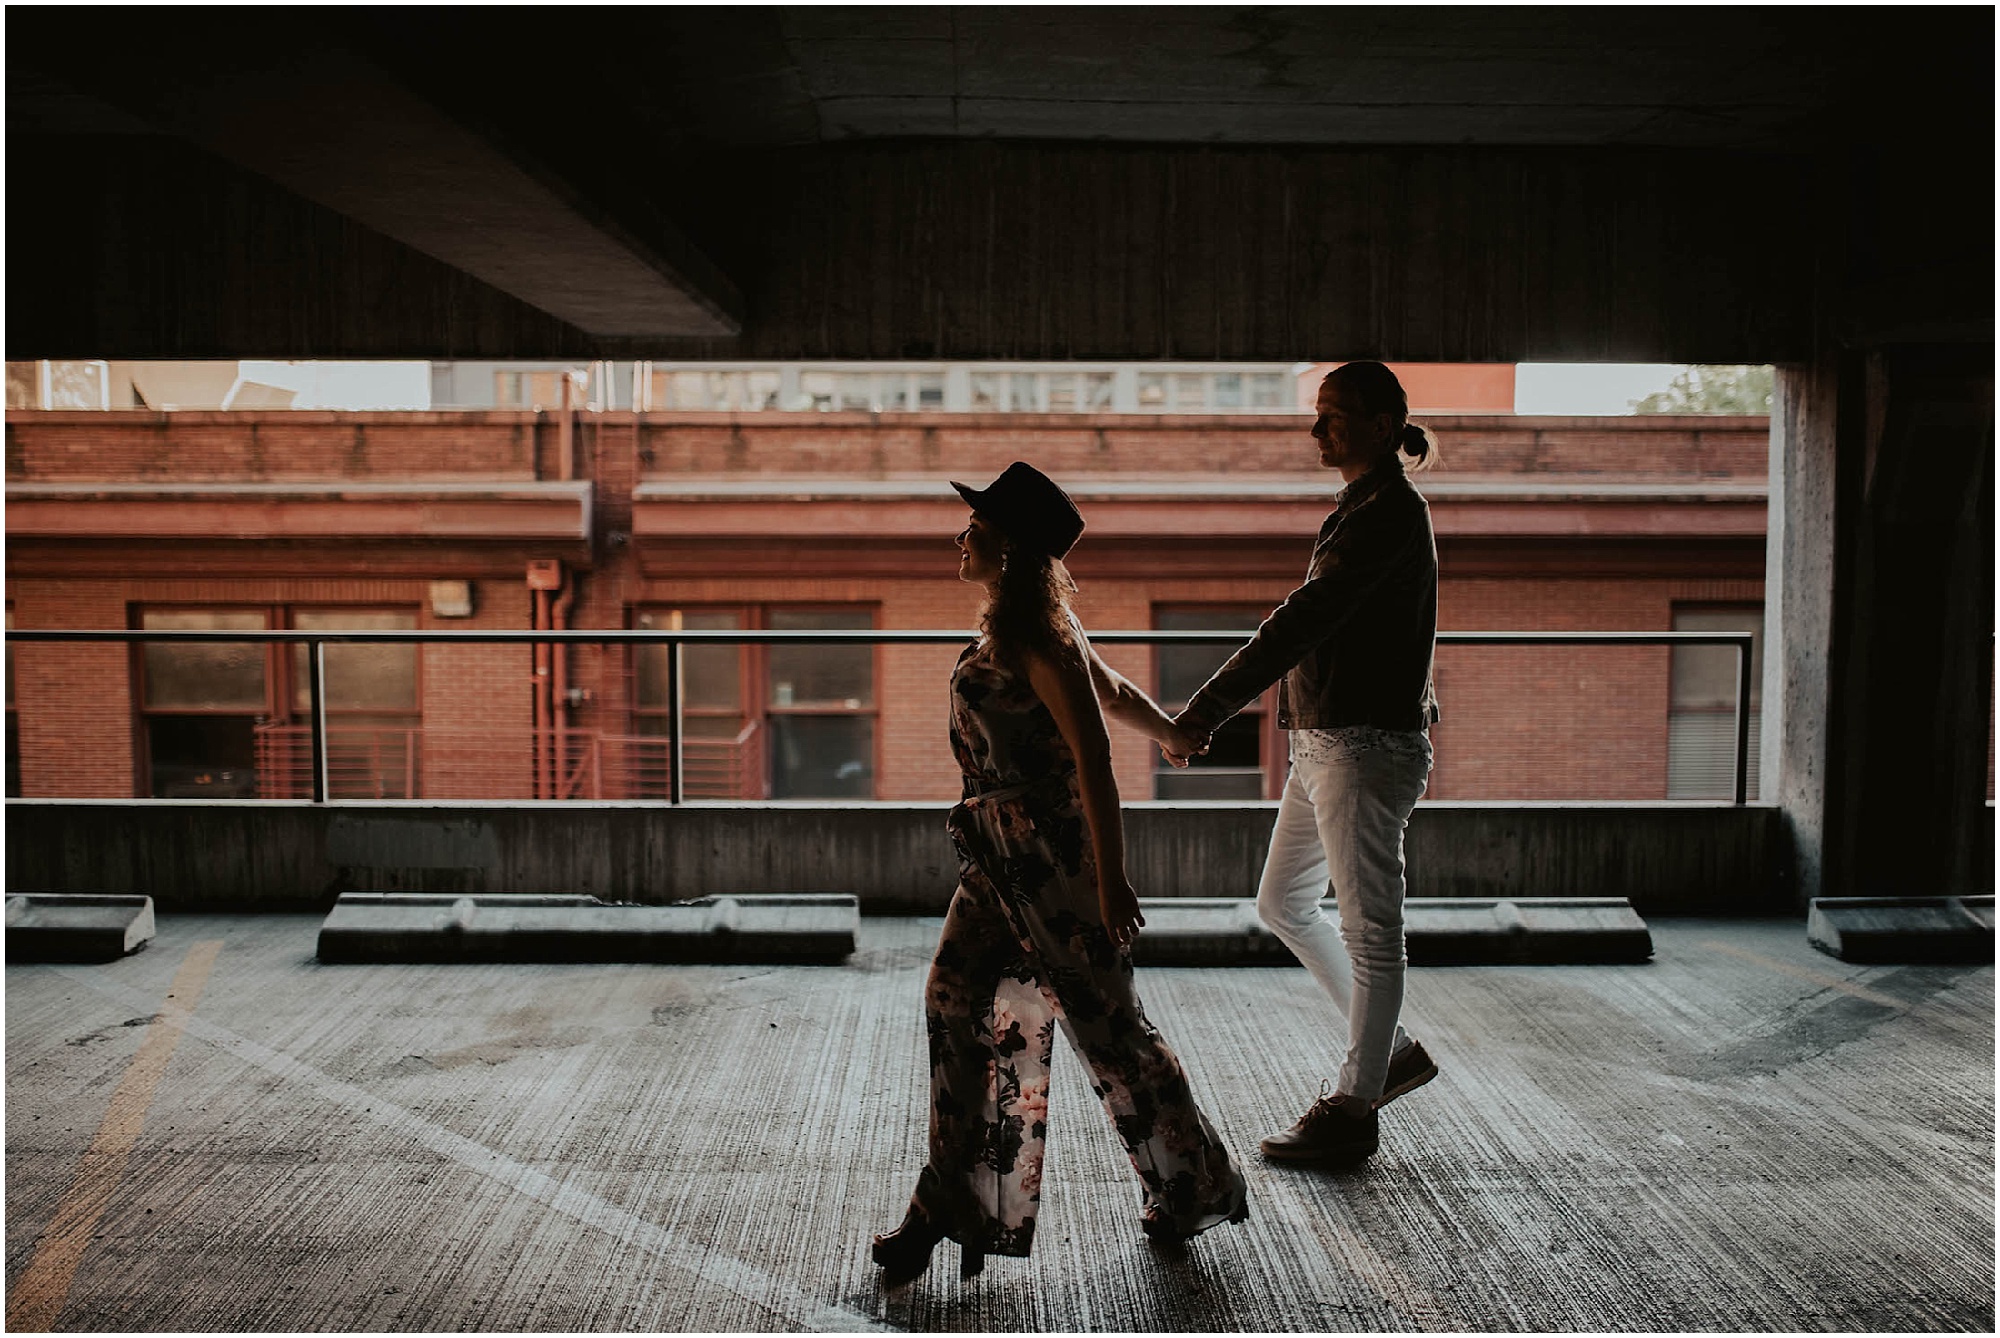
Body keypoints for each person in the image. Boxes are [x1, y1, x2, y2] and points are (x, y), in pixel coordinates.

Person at [873, 461, 1247, 1287]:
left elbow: (1095, 757)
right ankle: (950, 1198)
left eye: (974, 528)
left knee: (1110, 1031)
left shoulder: (1039, 633)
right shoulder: (1021, 626)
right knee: (954, 998)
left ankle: (1195, 1185)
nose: (960, 537)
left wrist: (1112, 882)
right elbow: (1110, 686)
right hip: (999, 858)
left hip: (1054, 865)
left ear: (1005, 548)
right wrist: (1175, 733)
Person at [1169, 361, 1442, 1165]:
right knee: (1284, 902)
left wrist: (1206, 709)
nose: (1318, 430)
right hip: (1325, 743)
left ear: (1387, 424)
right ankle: (1389, 1052)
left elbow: (1304, 620)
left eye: (1336, 415)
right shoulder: (1360, 505)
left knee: (1370, 930)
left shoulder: (1389, 511)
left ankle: (1356, 1105)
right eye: (1318, 415)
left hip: (1363, 747)